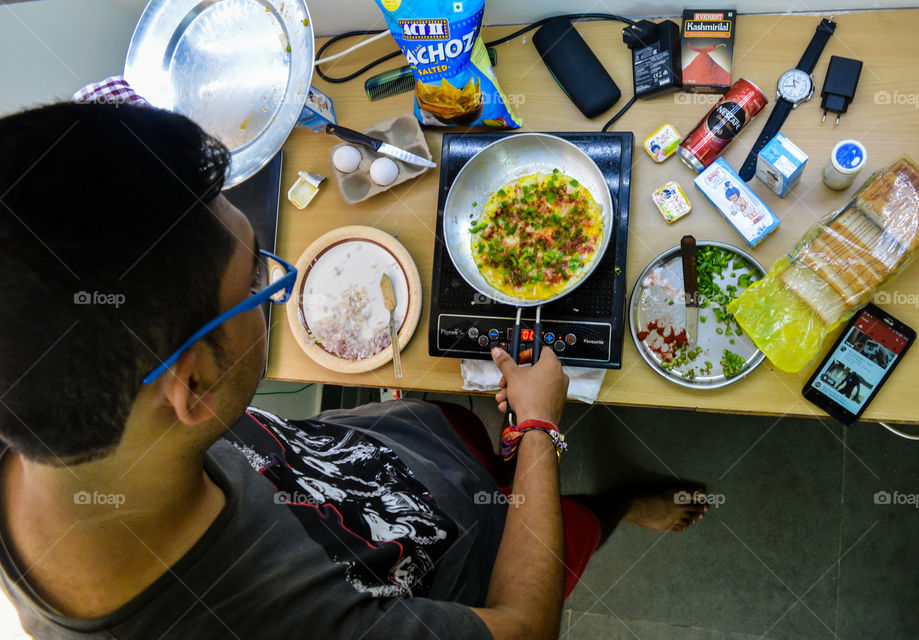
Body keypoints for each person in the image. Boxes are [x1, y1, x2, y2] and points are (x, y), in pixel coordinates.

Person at [0, 103, 707, 640]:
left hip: (395, 447)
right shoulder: (272, 616)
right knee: (560, 520)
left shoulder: (34, 380)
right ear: (192, 388)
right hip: (469, 562)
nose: (277, 287)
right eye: (257, 281)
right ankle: (617, 507)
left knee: (461, 435)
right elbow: (524, 624)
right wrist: (538, 429)